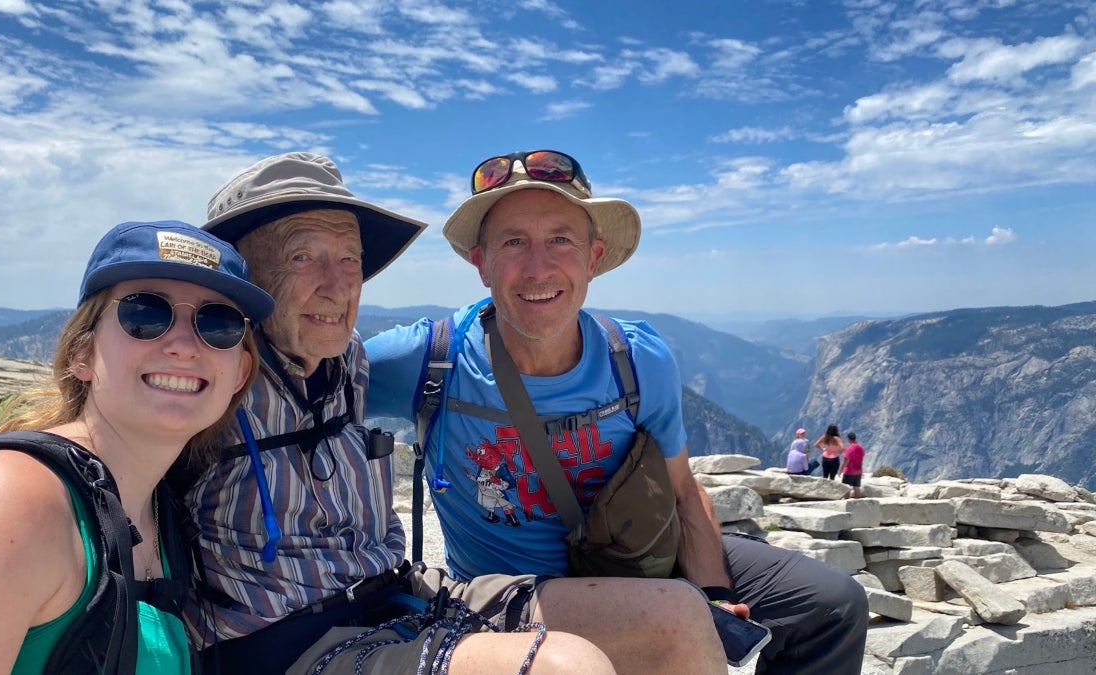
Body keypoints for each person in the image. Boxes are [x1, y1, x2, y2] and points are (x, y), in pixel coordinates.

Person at [366, 149, 869, 674]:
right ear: (481, 263)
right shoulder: (429, 358)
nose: (538, 267)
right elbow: (299, 368)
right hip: (514, 591)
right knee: (672, 623)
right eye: (514, 242)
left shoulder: (635, 357)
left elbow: (681, 490)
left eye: (561, 239)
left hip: (636, 558)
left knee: (831, 605)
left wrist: (715, 594)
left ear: (594, 257)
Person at [182, 152, 624, 675]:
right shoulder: (201, 381)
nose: (338, 285)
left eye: (351, 260)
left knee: (677, 616)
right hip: (289, 644)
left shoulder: (350, 362)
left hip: (400, 597)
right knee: (564, 668)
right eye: (303, 257)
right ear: (244, 276)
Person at [0, 220, 271, 672]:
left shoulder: (161, 512)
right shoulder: (6, 501)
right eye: (145, 314)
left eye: (219, 323)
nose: (184, 346)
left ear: (240, 374)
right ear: (81, 353)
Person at [842, 432, 866, 499]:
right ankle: (857, 502)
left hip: (849, 471)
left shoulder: (849, 449)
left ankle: (846, 501)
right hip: (858, 471)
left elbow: (846, 460)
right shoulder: (861, 448)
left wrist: (841, 469)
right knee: (856, 487)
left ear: (849, 439)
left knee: (846, 487)